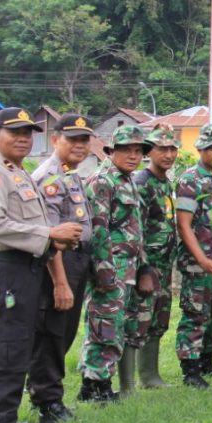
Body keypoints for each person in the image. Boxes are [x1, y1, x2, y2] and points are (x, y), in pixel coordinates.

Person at [0, 107, 83, 423]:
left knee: (7, 349)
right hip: (6, 272)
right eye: (14, 132)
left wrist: (54, 240)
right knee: (8, 353)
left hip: (24, 271)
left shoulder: (18, 174)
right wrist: (49, 232)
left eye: (27, 132)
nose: (22, 138)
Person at [78, 125, 155, 401]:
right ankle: (96, 387)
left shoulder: (128, 181)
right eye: (127, 150)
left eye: (138, 151)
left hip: (129, 268)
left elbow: (135, 231)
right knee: (104, 327)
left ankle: (95, 384)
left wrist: (143, 266)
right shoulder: (102, 181)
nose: (134, 156)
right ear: (112, 152)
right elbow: (98, 231)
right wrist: (104, 272)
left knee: (117, 325)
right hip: (109, 269)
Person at [28, 113, 94, 423]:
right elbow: (51, 234)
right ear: (56, 140)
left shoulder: (71, 173)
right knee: (53, 331)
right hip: (60, 262)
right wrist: (61, 282)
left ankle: (45, 394)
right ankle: (47, 402)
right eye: (73, 139)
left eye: (84, 139)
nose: (80, 146)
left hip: (77, 259)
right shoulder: (50, 177)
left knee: (63, 331)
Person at [175, 124, 212, 390]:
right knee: (195, 313)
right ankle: (190, 370)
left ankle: (206, 362)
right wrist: (202, 260)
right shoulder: (190, 180)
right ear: (200, 149)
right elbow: (184, 224)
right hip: (199, 264)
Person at [132, 124, 180, 388]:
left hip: (165, 265)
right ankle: (141, 377)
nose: (169, 154)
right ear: (150, 151)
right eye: (163, 149)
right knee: (141, 318)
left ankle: (151, 375)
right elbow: (135, 229)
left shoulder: (165, 183)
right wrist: (143, 269)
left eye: (173, 149)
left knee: (159, 318)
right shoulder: (143, 183)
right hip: (148, 265)